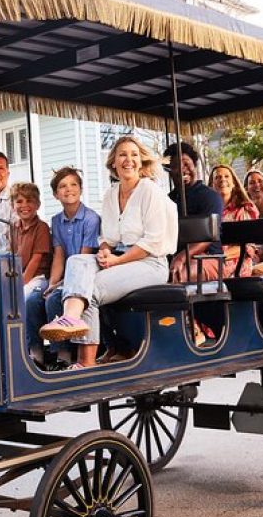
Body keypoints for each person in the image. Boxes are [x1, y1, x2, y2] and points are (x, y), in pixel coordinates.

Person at [39, 136, 178, 368]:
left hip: (150, 263)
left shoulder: (150, 191)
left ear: (141, 161)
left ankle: (85, 364)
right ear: (113, 162)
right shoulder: (111, 195)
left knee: (89, 288)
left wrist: (117, 260)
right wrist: (104, 252)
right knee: (77, 262)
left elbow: (152, 242)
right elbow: (108, 239)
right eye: (122, 154)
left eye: (134, 154)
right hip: (120, 258)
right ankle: (71, 318)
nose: (128, 159)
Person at [26, 167, 100, 368]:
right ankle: (36, 352)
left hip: (84, 273)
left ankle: (63, 354)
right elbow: (59, 255)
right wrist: (52, 283)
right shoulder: (56, 221)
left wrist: (59, 286)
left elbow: (84, 258)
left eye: (74, 185)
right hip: (62, 275)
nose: (69, 190)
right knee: (33, 299)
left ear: (81, 189)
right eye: (63, 186)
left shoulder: (90, 218)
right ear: (55, 194)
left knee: (53, 300)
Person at [164, 142, 223, 283]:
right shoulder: (168, 199)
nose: (182, 169)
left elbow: (208, 238)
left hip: (208, 257)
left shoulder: (210, 196)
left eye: (186, 163)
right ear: (170, 171)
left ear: (195, 165)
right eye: (175, 166)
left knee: (176, 276)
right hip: (174, 258)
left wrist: (181, 257)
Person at [195, 164, 259, 280]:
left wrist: (220, 257)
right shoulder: (205, 211)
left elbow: (249, 247)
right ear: (211, 185)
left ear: (234, 183)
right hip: (210, 260)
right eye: (217, 177)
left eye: (226, 176)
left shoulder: (244, 209)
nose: (222, 179)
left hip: (237, 264)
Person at [10, 182, 51, 297]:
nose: (24, 205)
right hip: (20, 276)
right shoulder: (13, 228)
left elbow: (36, 260)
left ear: (38, 205)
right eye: (19, 201)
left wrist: (20, 284)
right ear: (12, 205)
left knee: (22, 298)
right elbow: (12, 256)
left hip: (38, 278)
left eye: (29, 201)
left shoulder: (41, 227)